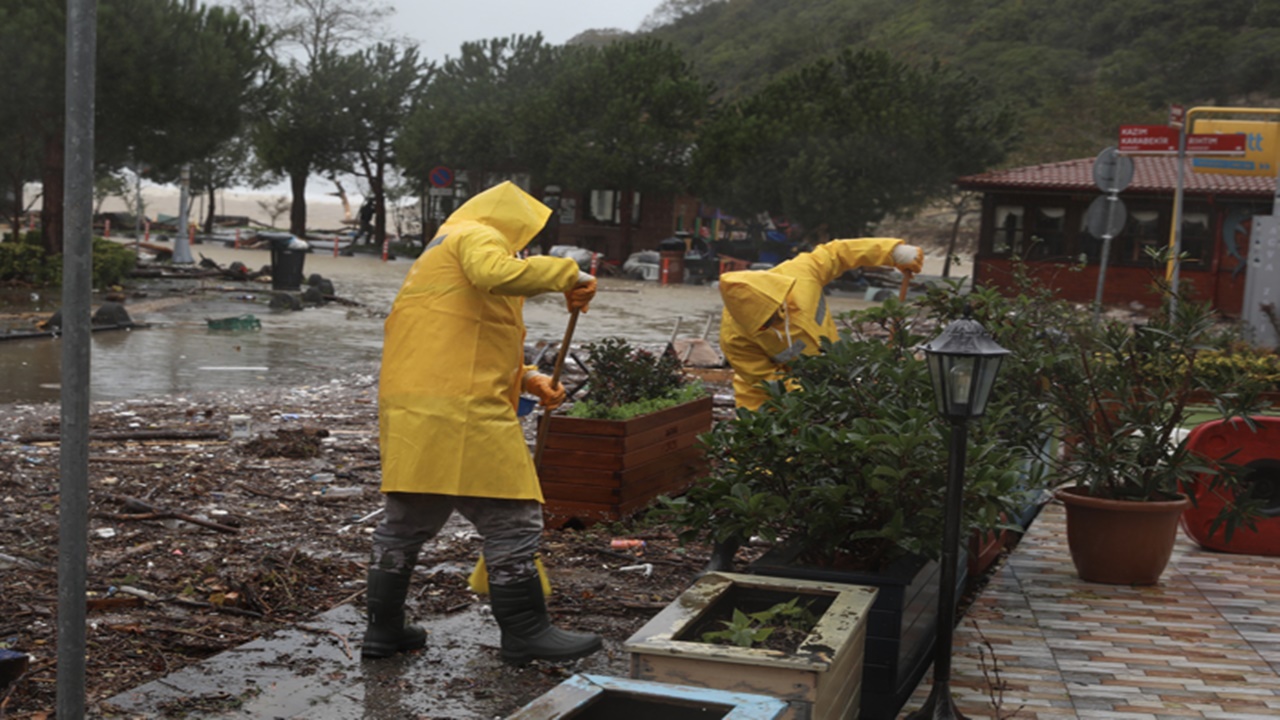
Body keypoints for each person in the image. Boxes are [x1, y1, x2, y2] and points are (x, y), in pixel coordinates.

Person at [363, 181, 601, 663]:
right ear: (509, 220)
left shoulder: (441, 250)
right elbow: (494, 273)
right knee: (513, 520)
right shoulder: (477, 235)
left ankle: (383, 630)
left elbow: (462, 339)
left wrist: (529, 379)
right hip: (463, 410)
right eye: (524, 236)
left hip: (415, 410)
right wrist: (568, 274)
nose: (522, 247)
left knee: (405, 523)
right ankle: (526, 631)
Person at [704, 236, 923, 571]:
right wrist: (822, 396)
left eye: (774, 318)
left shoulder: (799, 274)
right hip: (766, 396)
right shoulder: (735, 335)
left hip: (834, 371)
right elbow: (767, 382)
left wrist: (891, 252)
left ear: (778, 298)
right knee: (754, 468)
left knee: (846, 460)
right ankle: (722, 555)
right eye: (763, 326)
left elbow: (837, 252)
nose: (772, 327)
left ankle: (835, 539)